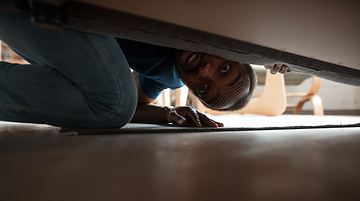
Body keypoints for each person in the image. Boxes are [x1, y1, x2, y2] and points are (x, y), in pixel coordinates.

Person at [0, 10, 288, 129]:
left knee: (111, 105)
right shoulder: (209, 17)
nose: (204, 72)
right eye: (224, 68)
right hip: (63, 13)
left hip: (38, 26)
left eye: (203, 88)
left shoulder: (169, 75)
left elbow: (130, 104)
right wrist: (267, 48)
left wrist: (167, 114)